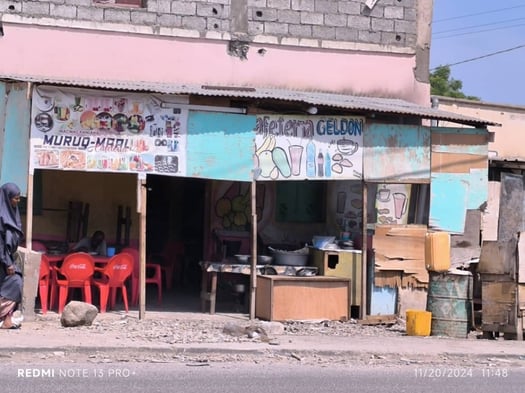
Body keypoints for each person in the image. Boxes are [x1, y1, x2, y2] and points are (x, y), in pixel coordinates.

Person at [0, 183, 24, 329]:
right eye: (15, 198)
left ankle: (6, 317)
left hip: (5, 261)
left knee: (16, 280)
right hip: (3, 261)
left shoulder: (11, 215)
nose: (18, 201)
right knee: (15, 282)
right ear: (7, 199)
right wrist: (8, 262)